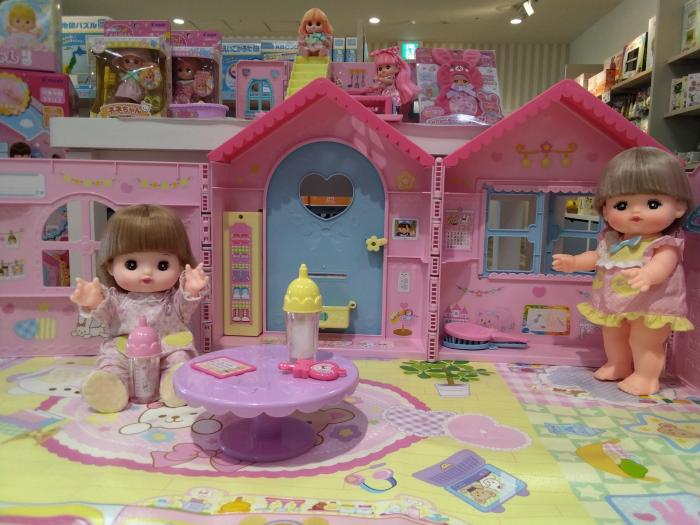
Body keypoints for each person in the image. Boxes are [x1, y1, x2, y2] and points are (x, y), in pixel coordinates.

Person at [553, 147, 694, 396]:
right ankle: (618, 364)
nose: (635, 212)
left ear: (679, 207)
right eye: (621, 205)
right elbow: (597, 257)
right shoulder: (612, 240)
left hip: (652, 305)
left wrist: (648, 274)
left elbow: (664, 265)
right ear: (605, 210)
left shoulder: (663, 243)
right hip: (614, 304)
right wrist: (574, 262)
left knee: (644, 341)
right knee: (613, 335)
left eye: (652, 203)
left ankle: (646, 376)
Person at [70, 204, 209, 413]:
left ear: (181, 265)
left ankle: (175, 384)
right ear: (110, 266)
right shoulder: (116, 301)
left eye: (162, 265)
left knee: (179, 359)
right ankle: (110, 387)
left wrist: (192, 290)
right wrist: (94, 302)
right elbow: (106, 315)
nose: (147, 273)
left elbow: (185, 306)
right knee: (112, 362)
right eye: (131, 264)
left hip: (167, 347)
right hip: (124, 350)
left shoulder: (173, 301)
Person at [370, 47, 421, 113]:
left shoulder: (391, 77)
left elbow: (389, 82)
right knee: (385, 107)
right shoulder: (383, 80)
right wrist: (375, 87)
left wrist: (379, 79)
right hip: (385, 94)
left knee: (392, 107)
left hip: (392, 94)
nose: (383, 70)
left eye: (387, 67)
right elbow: (383, 85)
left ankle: (393, 113)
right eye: (380, 69)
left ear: (397, 69)